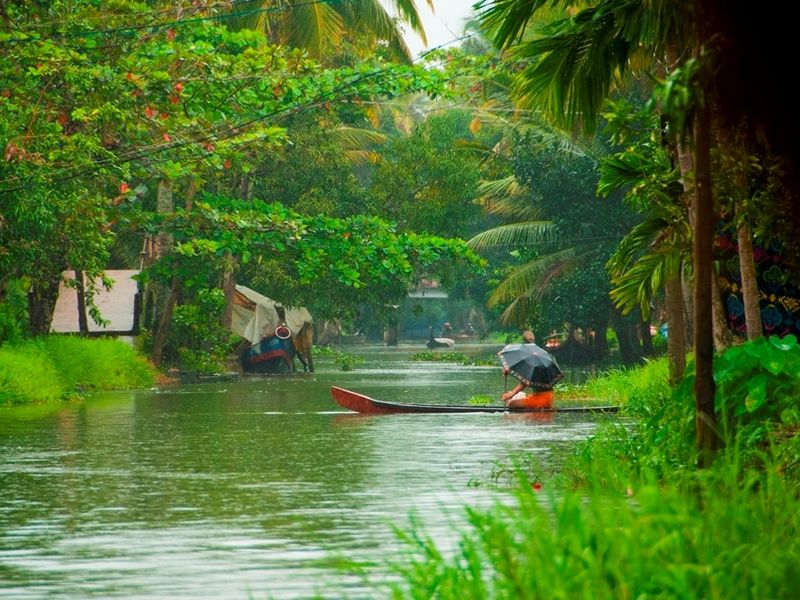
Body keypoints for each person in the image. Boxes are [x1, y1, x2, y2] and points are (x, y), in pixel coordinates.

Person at [500, 329, 555, 409]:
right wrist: (508, 370)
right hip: (540, 397)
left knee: (511, 403)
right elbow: (523, 373)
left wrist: (511, 395)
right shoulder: (531, 355)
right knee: (512, 396)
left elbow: (524, 382)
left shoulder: (536, 358)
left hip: (543, 400)